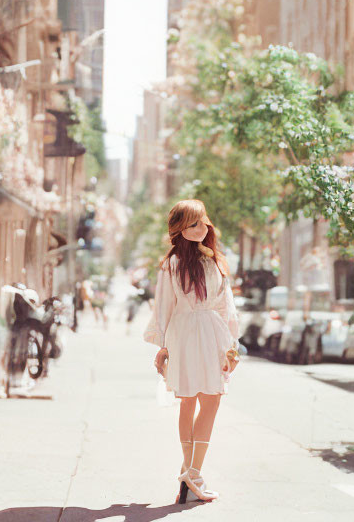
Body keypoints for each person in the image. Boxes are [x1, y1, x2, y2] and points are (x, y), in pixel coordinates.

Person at [143, 199, 240, 504]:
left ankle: (191, 473)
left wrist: (232, 349)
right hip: (184, 333)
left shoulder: (215, 261)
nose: (202, 228)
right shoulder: (171, 264)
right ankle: (193, 475)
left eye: (203, 222)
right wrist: (162, 347)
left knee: (211, 399)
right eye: (193, 224)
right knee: (189, 401)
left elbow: (227, 307)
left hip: (212, 334)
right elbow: (163, 307)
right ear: (179, 229)